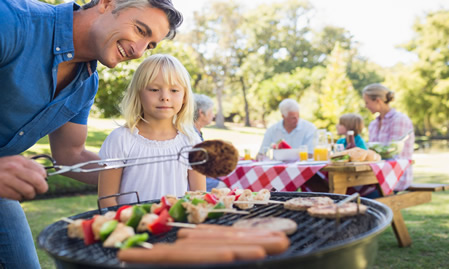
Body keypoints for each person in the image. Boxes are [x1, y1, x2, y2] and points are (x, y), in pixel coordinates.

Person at [0, 0, 182, 267]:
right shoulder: (13, 21)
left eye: (151, 45)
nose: (139, 51)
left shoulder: (86, 84)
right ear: (107, 3)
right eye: (140, 30)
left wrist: (143, 169)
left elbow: (70, 156)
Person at [98, 54, 206, 207]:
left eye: (174, 90)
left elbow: (199, 198)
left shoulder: (191, 141)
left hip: (176, 228)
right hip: (131, 227)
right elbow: (107, 200)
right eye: (154, 89)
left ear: (185, 97)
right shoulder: (121, 139)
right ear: (138, 94)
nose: (165, 97)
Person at [363, 83, 415, 192]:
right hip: (375, 177)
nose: (365, 106)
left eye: (367, 102)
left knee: (361, 200)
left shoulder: (399, 120)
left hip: (395, 177)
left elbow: (394, 152)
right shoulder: (373, 124)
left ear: (378, 100)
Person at [193, 93, 222, 191]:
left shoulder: (197, 132)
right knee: (224, 186)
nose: (213, 115)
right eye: (211, 111)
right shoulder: (192, 135)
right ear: (201, 113)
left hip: (203, 177)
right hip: (196, 181)